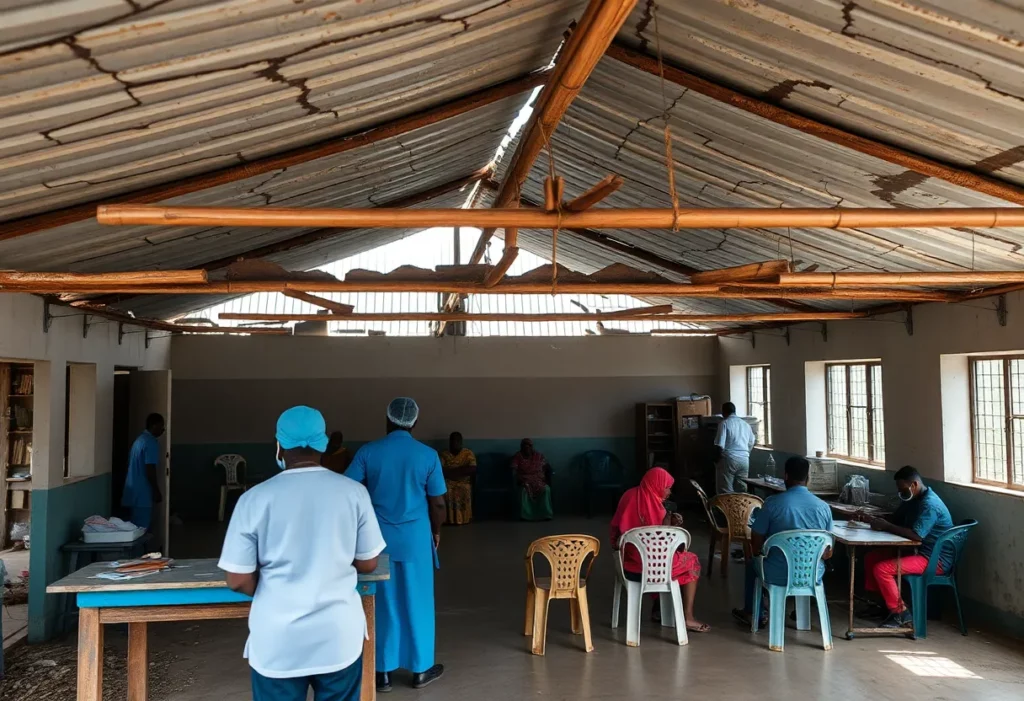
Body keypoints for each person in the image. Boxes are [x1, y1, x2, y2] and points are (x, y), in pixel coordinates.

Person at [219, 406, 385, 701]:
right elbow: (368, 562)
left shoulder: (254, 499)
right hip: (337, 637)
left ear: (279, 446)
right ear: (323, 444)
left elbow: (237, 579)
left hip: (278, 641)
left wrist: (275, 590)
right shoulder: (353, 493)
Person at [346, 398, 447, 692]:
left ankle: (382, 672)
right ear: (414, 422)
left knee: (383, 602)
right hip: (416, 538)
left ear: (388, 420)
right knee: (418, 600)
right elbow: (438, 503)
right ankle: (420, 670)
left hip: (378, 539)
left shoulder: (368, 452)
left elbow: (347, 489)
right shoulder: (428, 455)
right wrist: (436, 532)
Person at [732, 456, 833, 627]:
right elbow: (828, 552)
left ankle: (753, 614)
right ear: (808, 478)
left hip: (776, 572)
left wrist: (758, 554)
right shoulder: (823, 507)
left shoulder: (772, 504)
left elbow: (756, 537)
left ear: (785, 477)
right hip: (811, 573)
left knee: (752, 565)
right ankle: (802, 617)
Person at [609, 467, 709, 632]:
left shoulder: (628, 496)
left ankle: (658, 608)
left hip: (628, 567)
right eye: (667, 487)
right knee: (691, 561)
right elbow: (666, 544)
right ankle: (688, 617)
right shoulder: (659, 508)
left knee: (655, 558)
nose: (669, 491)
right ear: (656, 485)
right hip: (657, 569)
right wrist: (672, 526)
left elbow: (615, 532)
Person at [854, 465, 954, 628]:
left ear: (914, 485)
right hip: (917, 551)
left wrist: (886, 526)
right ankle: (883, 606)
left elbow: (916, 535)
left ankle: (901, 613)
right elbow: (896, 519)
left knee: (882, 568)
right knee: (871, 558)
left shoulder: (930, 505)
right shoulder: (914, 498)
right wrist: (872, 519)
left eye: (902, 489)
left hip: (934, 559)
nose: (901, 493)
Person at [121, 413, 165, 530]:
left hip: (133, 492)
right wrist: (156, 490)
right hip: (142, 494)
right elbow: (150, 468)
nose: (163, 429)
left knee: (133, 529)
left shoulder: (139, 440)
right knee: (140, 530)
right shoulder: (150, 442)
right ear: (154, 425)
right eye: (161, 426)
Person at [714, 402, 756, 494]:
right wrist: (745, 453)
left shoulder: (724, 423)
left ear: (724, 412)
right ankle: (741, 508)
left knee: (726, 490)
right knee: (741, 489)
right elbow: (751, 442)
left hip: (729, 460)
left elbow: (719, 446)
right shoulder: (746, 425)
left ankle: (727, 509)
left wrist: (716, 461)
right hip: (744, 460)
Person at [439, 432, 476, 525]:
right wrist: (458, 471)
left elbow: (472, 468)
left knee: (465, 488)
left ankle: (465, 518)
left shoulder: (468, 453)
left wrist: (456, 471)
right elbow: (441, 470)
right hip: (449, 480)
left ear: (461, 442)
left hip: (463, 480)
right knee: (447, 489)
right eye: (452, 440)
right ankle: (449, 519)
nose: (455, 443)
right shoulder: (444, 454)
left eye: (457, 441)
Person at [512, 438, 553, 521]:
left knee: (546, 489)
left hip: (538, 480)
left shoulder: (539, 456)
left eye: (529, 446)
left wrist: (546, 475)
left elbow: (546, 467)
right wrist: (517, 478)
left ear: (532, 447)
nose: (527, 448)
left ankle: (545, 514)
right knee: (524, 490)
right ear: (521, 447)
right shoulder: (517, 457)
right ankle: (526, 516)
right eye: (525, 446)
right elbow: (513, 469)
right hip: (524, 480)